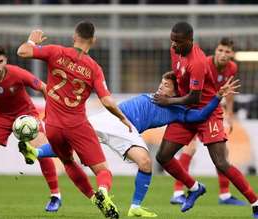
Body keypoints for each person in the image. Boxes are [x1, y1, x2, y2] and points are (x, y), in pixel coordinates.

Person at [18, 71, 239, 218]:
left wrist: (217, 97)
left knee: (144, 162)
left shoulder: (177, 111)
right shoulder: (158, 99)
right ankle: (35, 151)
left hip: (121, 128)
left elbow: (198, 116)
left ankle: (134, 208)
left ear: (175, 91)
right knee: (140, 161)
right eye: (161, 83)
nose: (161, 87)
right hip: (118, 122)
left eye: (166, 85)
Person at [17, 20, 132, 219]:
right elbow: (106, 100)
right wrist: (122, 118)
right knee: (103, 171)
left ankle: (93, 198)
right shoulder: (94, 68)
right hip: (77, 125)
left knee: (68, 161)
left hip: (52, 125)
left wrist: (32, 41)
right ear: (93, 40)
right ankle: (102, 192)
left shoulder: (55, 52)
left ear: (74, 37)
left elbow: (22, 52)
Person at [153, 21, 258, 218]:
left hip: (206, 112)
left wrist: (168, 101)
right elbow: (178, 76)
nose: (173, 45)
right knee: (162, 156)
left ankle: (255, 202)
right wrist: (166, 88)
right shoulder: (175, 50)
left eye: (178, 41)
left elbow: (195, 97)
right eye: (172, 40)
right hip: (185, 112)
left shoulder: (199, 62)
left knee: (221, 162)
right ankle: (193, 188)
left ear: (190, 41)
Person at [0, 44, 61, 213]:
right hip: (1, 117)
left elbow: (44, 87)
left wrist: (50, 116)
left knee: (42, 150)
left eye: (0, 61)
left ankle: (55, 196)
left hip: (26, 115)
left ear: (5, 61)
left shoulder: (17, 73)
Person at [170, 37, 245, 206]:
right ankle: (177, 191)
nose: (223, 54)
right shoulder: (204, 63)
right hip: (194, 110)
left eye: (227, 51)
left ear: (232, 54)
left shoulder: (232, 68)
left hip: (211, 112)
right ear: (215, 51)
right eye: (220, 50)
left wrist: (229, 114)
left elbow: (230, 91)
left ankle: (224, 195)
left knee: (222, 153)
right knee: (190, 148)